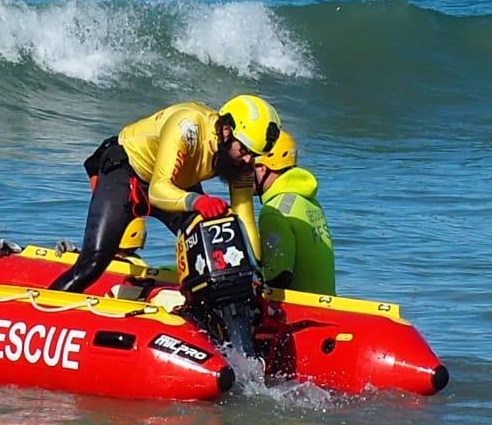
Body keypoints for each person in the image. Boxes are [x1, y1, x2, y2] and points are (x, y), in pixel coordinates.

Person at [49, 95, 281, 293]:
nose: (249, 159)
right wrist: (197, 201)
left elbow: (245, 218)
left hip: (176, 186)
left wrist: (255, 271)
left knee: (216, 242)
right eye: (244, 150)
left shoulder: (241, 160)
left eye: (254, 154)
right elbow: (158, 190)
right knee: (93, 264)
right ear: (226, 130)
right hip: (126, 172)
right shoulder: (188, 127)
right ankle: (47, 309)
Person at [252, 130, 335, 294]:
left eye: (247, 167)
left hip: (302, 311)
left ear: (262, 168)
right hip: (327, 304)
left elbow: (279, 276)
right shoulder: (309, 201)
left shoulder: (274, 212)